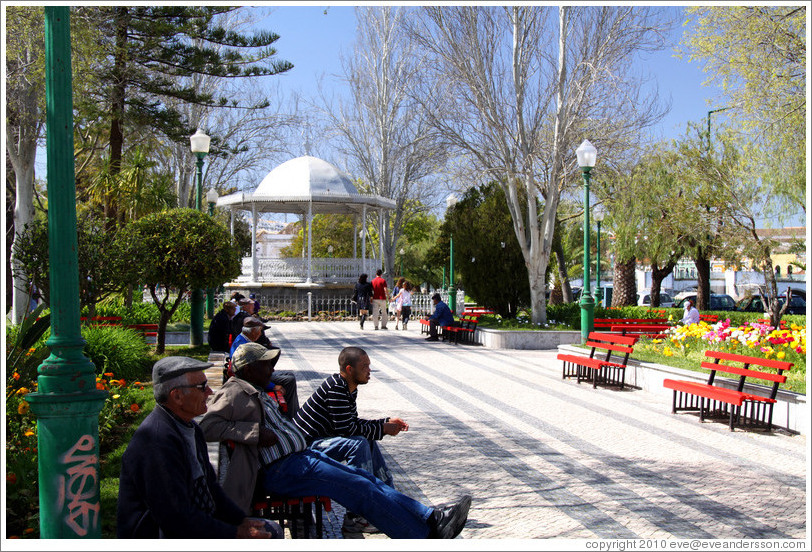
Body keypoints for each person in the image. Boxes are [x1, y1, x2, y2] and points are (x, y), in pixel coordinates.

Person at [199, 342, 472, 539]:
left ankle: (431, 518)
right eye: (265, 364)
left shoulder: (254, 389)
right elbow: (209, 426)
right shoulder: (235, 390)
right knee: (357, 486)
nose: (272, 368)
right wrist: (255, 434)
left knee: (366, 480)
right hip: (283, 468)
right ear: (248, 369)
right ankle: (422, 535)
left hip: (300, 458)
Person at [117, 356, 283, 539]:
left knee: (269, 530)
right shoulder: (156, 442)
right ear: (177, 396)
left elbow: (212, 489)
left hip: (196, 523)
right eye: (202, 387)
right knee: (270, 534)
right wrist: (235, 533)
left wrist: (241, 521)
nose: (210, 392)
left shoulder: (191, 428)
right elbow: (175, 519)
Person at [293, 346, 406, 532]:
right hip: (304, 449)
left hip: (321, 441)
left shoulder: (348, 388)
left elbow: (350, 423)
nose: (369, 370)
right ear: (349, 369)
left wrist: (385, 422)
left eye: (369, 365)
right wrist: (383, 428)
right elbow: (347, 429)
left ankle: (390, 499)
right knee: (358, 443)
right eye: (364, 366)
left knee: (365, 438)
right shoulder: (337, 387)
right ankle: (356, 516)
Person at [230, 316, 299, 418]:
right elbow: (249, 373)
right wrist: (272, 386)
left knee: (289, 375)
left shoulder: (244, 340)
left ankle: (294, 412)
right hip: (249, 379)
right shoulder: (242, 345)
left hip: (252, 375)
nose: (261, 334)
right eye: (260, 331)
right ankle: (291, 415)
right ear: (253, 331)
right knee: (289, 380)